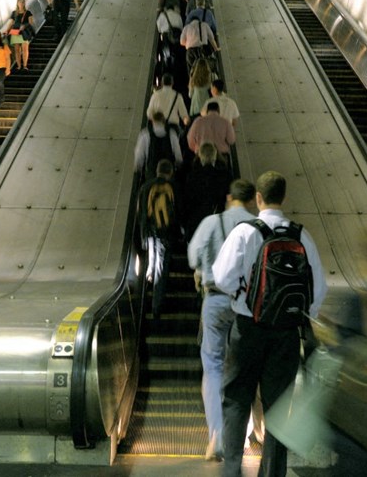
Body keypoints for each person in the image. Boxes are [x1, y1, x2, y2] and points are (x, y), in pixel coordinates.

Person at [213, 170, 329, 477]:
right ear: (283, 197)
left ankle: (233, 470)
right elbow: (318, 289)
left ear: (259, 198)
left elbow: (222, 277)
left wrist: (242, 295)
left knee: (237, 398)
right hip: (286, 334)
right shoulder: (302, 235)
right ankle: (273, 473)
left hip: (248, 329)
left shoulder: (245, 232)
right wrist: (301, 316)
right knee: (278, 409)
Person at [188, 178, 256, 461]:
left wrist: (204, 268)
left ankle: (216, 434)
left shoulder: (211, 223)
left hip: (214, 300)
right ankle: (240, 435)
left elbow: (193, 257)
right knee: (240, 367)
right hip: (245, 304)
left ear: (229, 198)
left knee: (214, 367)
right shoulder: (256, 226)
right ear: (253, 199)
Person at [138, 159, 179, 321]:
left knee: (154, 258)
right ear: (170, 172)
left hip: (149, 232)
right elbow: (177, 211)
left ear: (157, 171)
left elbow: (141, 212)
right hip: (165, 233)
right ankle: (156, 306)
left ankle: (149, 274)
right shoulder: (173, 187)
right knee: (161, 267)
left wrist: (142, 235)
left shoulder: (145, 187)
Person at [134, 111, 183, 180]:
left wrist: (138, 169)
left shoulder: (145, 134)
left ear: (152, 121)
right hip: (168, 173)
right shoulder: (171, 133)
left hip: (151, 173)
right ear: (163, 121)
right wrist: (178, 165)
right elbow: (178, 154)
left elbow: (139, 155)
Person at [8, 0, 34, 72]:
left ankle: (25, 65)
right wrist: (7, 30)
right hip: (15, 32)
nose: (21, 4)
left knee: (25, 49)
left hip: (24, 33)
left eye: (23, 2)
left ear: (24, 3)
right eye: (20, 2)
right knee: (17, 50)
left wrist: (24, 26)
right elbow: (11, 23)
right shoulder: (14, 13)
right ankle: (19, 66)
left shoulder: (28, 12)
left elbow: (31, 23)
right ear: (17, 3)